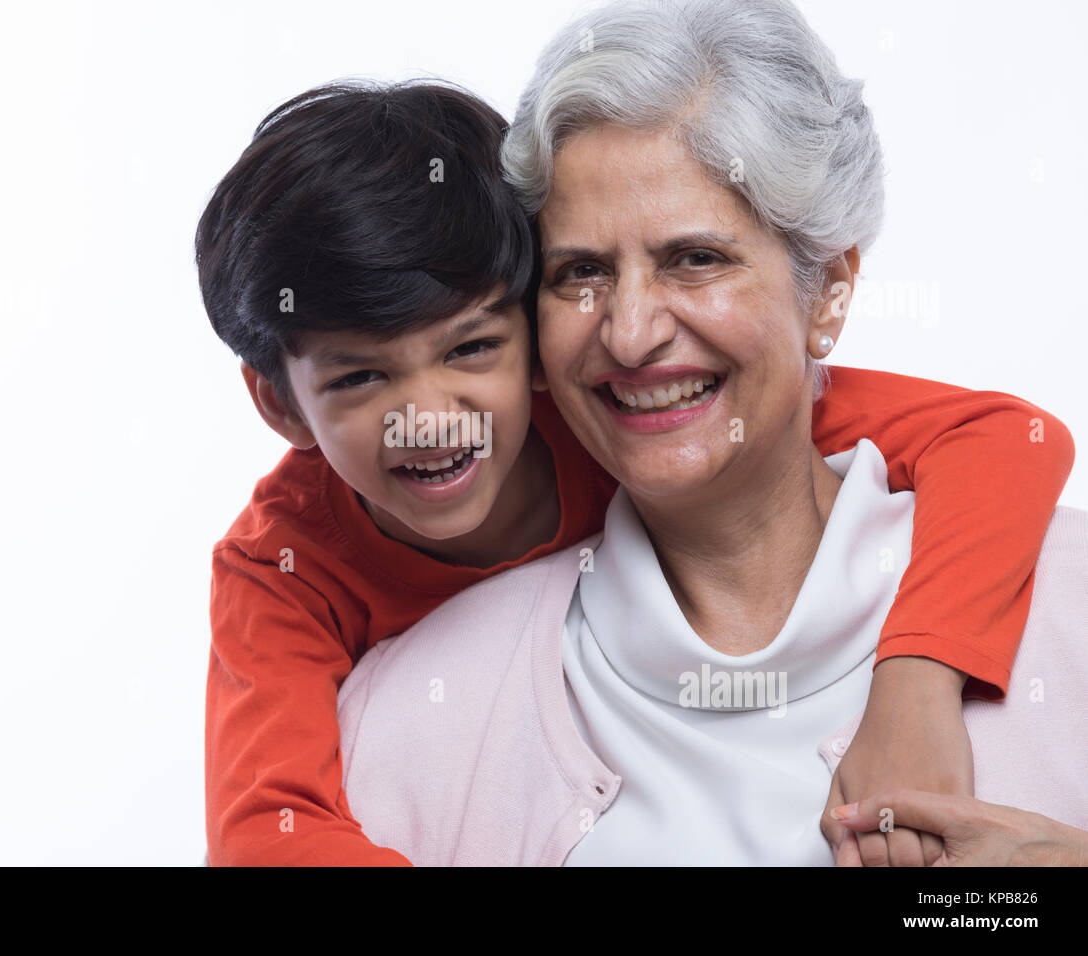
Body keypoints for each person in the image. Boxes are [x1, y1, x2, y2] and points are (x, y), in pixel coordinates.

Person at [197, 77, 1074, 866]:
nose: (430, 417)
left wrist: (917, 681)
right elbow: (263, 828)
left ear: (533, 344)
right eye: (359, 377)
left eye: (471, 348)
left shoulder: (630, 408)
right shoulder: (279, 573)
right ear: (278, 405)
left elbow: (1001, 436)